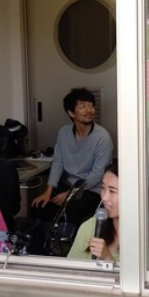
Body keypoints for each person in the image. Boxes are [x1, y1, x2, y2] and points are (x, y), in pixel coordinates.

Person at [30, 88, 113, 248]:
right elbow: (58, 163)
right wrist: (48, 191)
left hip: (92, 190)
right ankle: (41, 250)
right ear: (71, 112)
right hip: (68, 186)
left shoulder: (102, 137)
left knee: (71, 211)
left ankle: (73, 248)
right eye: (83, 106)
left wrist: (70, 194)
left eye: (91, 106)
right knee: (38, 207)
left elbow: (97, 174)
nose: (89, 110)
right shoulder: (64, 132)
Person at [67, 160, 149, 266]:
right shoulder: (90, 227)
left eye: (112, 191)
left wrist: (107, 258)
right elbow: (70, 270)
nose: (104, 197)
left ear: (133, 195)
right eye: (103, 188)